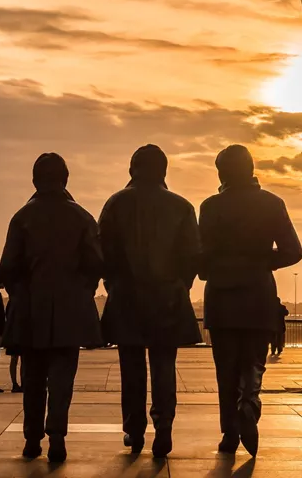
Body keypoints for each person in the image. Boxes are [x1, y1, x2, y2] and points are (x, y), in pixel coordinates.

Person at [200, 145, 302, 457]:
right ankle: (250, 403)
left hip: (221, 298)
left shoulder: (211, 206)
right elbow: (294, 251)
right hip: (259, 296)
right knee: (254, 364)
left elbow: (200, 257)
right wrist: (262, 259)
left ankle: (230, 434)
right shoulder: (272, 204)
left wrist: (215, 267)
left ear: (222, 173)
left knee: (225, 370)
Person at [0, 153, 103, 463]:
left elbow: (7, 269)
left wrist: (21, 295)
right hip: (70, 311)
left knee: (33, 377)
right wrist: (81, 292)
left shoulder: (22, 217)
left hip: (31, 310)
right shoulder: (83, 217)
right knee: (62, 378)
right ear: (65, 179)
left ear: (34, 180)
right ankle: (57, 435)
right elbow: (96, 264)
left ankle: (32, 437)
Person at [99, 144, 201, 459]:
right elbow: (192, 256)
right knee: (163, 365)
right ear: (164, 171)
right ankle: (164, 427)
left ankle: (134, 429)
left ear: (133, 169)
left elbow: (104, 253)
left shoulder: (115, 204)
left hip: (127, 297)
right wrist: (180, 286)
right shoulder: (182, 207)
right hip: (167, 297)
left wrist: (112, 283)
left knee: (131, 368)